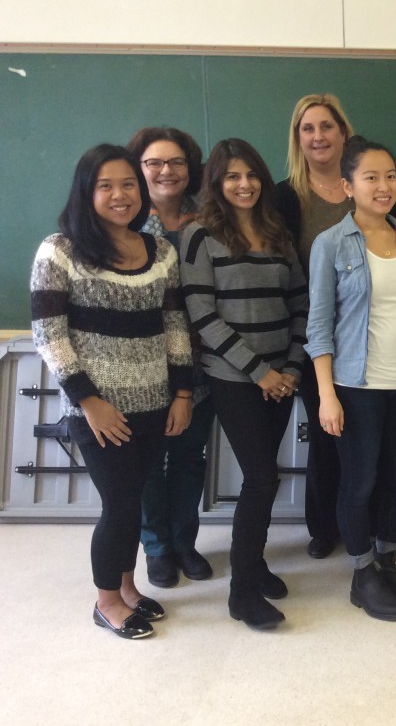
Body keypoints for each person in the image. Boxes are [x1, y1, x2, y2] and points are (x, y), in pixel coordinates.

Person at [30, 144, 193, 639]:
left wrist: (182, 394)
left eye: (128, 184)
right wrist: (89, 401)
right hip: (98, 410)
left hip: (154, 404)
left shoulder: (160, 250)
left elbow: (175, 325)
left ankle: (126, 587)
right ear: (87, 192)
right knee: (120, 504)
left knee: (135, 498)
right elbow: (48, 334)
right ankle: (105, 602)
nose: (120, 195)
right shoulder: (59, 250)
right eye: (106, 185)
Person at [305, 137, 396, 621]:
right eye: (370, 178)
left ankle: (386, 559)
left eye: (389, 176)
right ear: (348, 186)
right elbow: (318, 325)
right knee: (359, 483)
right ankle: (362, 575)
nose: (383, 187)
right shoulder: (330, 244)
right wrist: (326, 396)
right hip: (354, 386)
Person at [180, 138, 308, 631]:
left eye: (252, 174)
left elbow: (299, 303)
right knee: (261, 478)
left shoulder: (278, 232)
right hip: (236, 377)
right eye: (232, 176)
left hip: (282, 376)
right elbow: (203, 316)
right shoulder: (200, 235)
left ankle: (253, 564)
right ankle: (241, 593)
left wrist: (292, 368)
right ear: (217, 182)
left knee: (264, 475)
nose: (245, 184)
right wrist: (261, 372)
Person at [125, 126, 216, 589]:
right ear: (138, 170)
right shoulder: (124, 222)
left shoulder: (209, 217)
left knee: (188, 458)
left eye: (176, 162)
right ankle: (156, 548)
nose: (166, 171)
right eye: (153, 163)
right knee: (147, 464)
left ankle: (185, 542)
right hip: (140, 364)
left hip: (203, 359)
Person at [275, 93, 354, 560]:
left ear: (344, 132)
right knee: (327, 432)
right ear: (298, 138)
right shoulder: (286, 197)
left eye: (327, 126)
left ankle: (367, 519)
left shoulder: (368, 186)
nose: (319, 136)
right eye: (308, 129)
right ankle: (324, 526)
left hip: (369, 333)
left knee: (369, 433)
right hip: (314, 334)